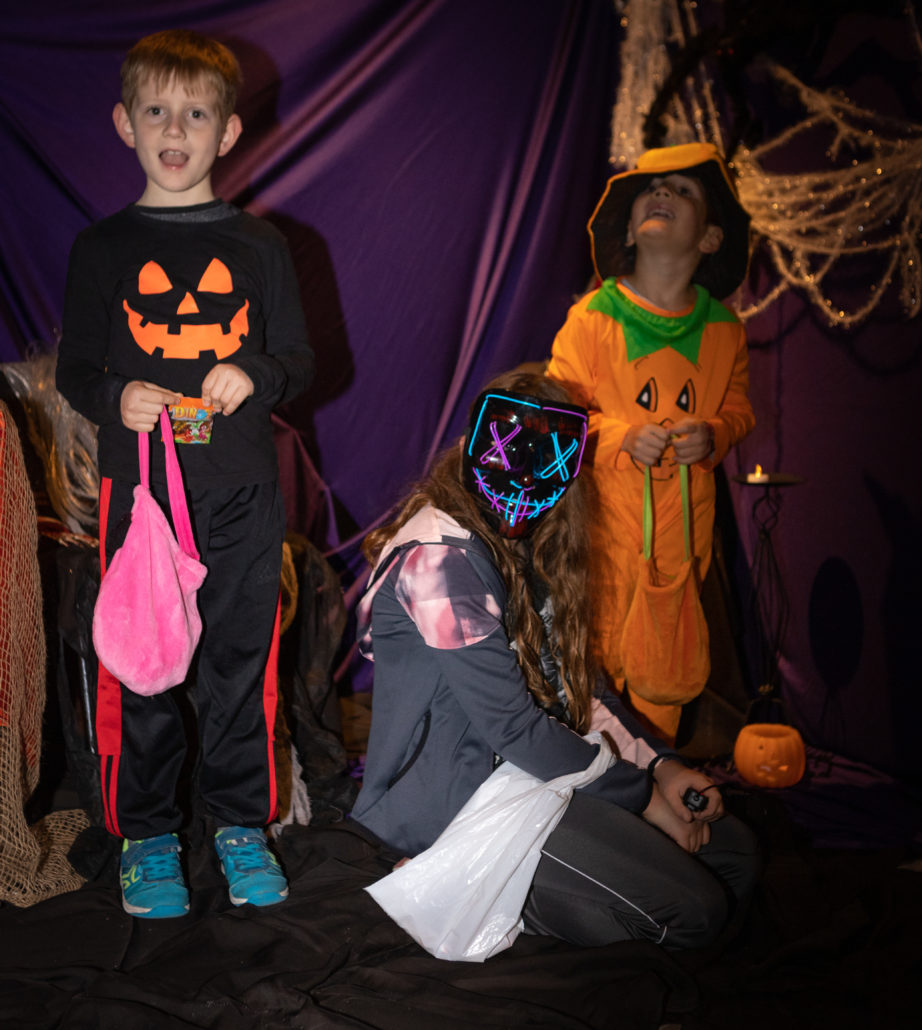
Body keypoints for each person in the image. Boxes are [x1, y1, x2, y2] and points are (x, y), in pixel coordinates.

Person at [351, 371, 758, 950]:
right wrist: (642, 798)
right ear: (472, 447)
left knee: (734, 853)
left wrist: (661, 767)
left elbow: (577, 688)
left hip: (533, 772)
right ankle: (459, 885)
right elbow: (513, 726)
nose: (522, 480)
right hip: (461, 801)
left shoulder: (529, 546)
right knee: (693, 909)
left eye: (545, 460)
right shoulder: (438, 559)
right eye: (509, 454)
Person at [56, 29, 313, 918]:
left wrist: (260, 374)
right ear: (125, 124)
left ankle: (241, 824)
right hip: (141, 499)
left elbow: (301, 360)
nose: (176, 130)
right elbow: (76, 371)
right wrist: (115, 394)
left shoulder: (261, 245)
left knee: (241, 665)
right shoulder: (102, 248)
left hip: (242, 492)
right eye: (158, 112)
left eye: (196, 114)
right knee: (144, 666)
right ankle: (149, 835)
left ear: (228, 132)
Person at [546, 142, 755, 743]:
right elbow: (555, 416)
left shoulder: (724, 331)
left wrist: (713, 434)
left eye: (683, 191)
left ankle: (652, 776)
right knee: (593, 657)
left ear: (709, 238)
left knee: (665, 665)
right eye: (651, 189)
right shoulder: (593, 318)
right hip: (603, 530)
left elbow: (738, 411)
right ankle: (589, 779)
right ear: (630, 229)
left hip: (680, 538)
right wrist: (618, 437)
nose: (661, 194)